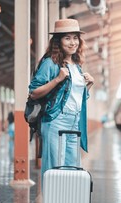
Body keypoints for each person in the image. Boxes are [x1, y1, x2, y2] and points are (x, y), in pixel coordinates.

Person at [28, 18, 94, 180]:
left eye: (75, 38)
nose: (73, 43)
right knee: (54, 169)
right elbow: (34, 92)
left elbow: (75, 97)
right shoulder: (50, 63)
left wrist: (89, 85)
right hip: (56, 120)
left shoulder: (77, 65)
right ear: (58, 41)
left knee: (72, 169)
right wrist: (57, 79)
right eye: (67, 38)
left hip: (74, 122)